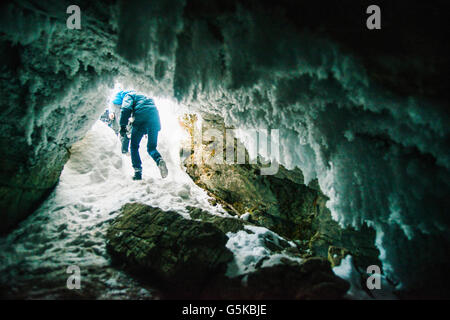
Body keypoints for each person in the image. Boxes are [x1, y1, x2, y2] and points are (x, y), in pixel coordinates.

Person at [116, 90, 168, 180]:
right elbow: (151, 108)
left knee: (134, 146)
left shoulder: (129, 95)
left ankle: (137, 172)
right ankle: (159, 160)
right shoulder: (147, 93)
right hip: (154, 119)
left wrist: (123, 126)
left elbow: (126, 109)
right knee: (152, 148)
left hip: (140, 118)